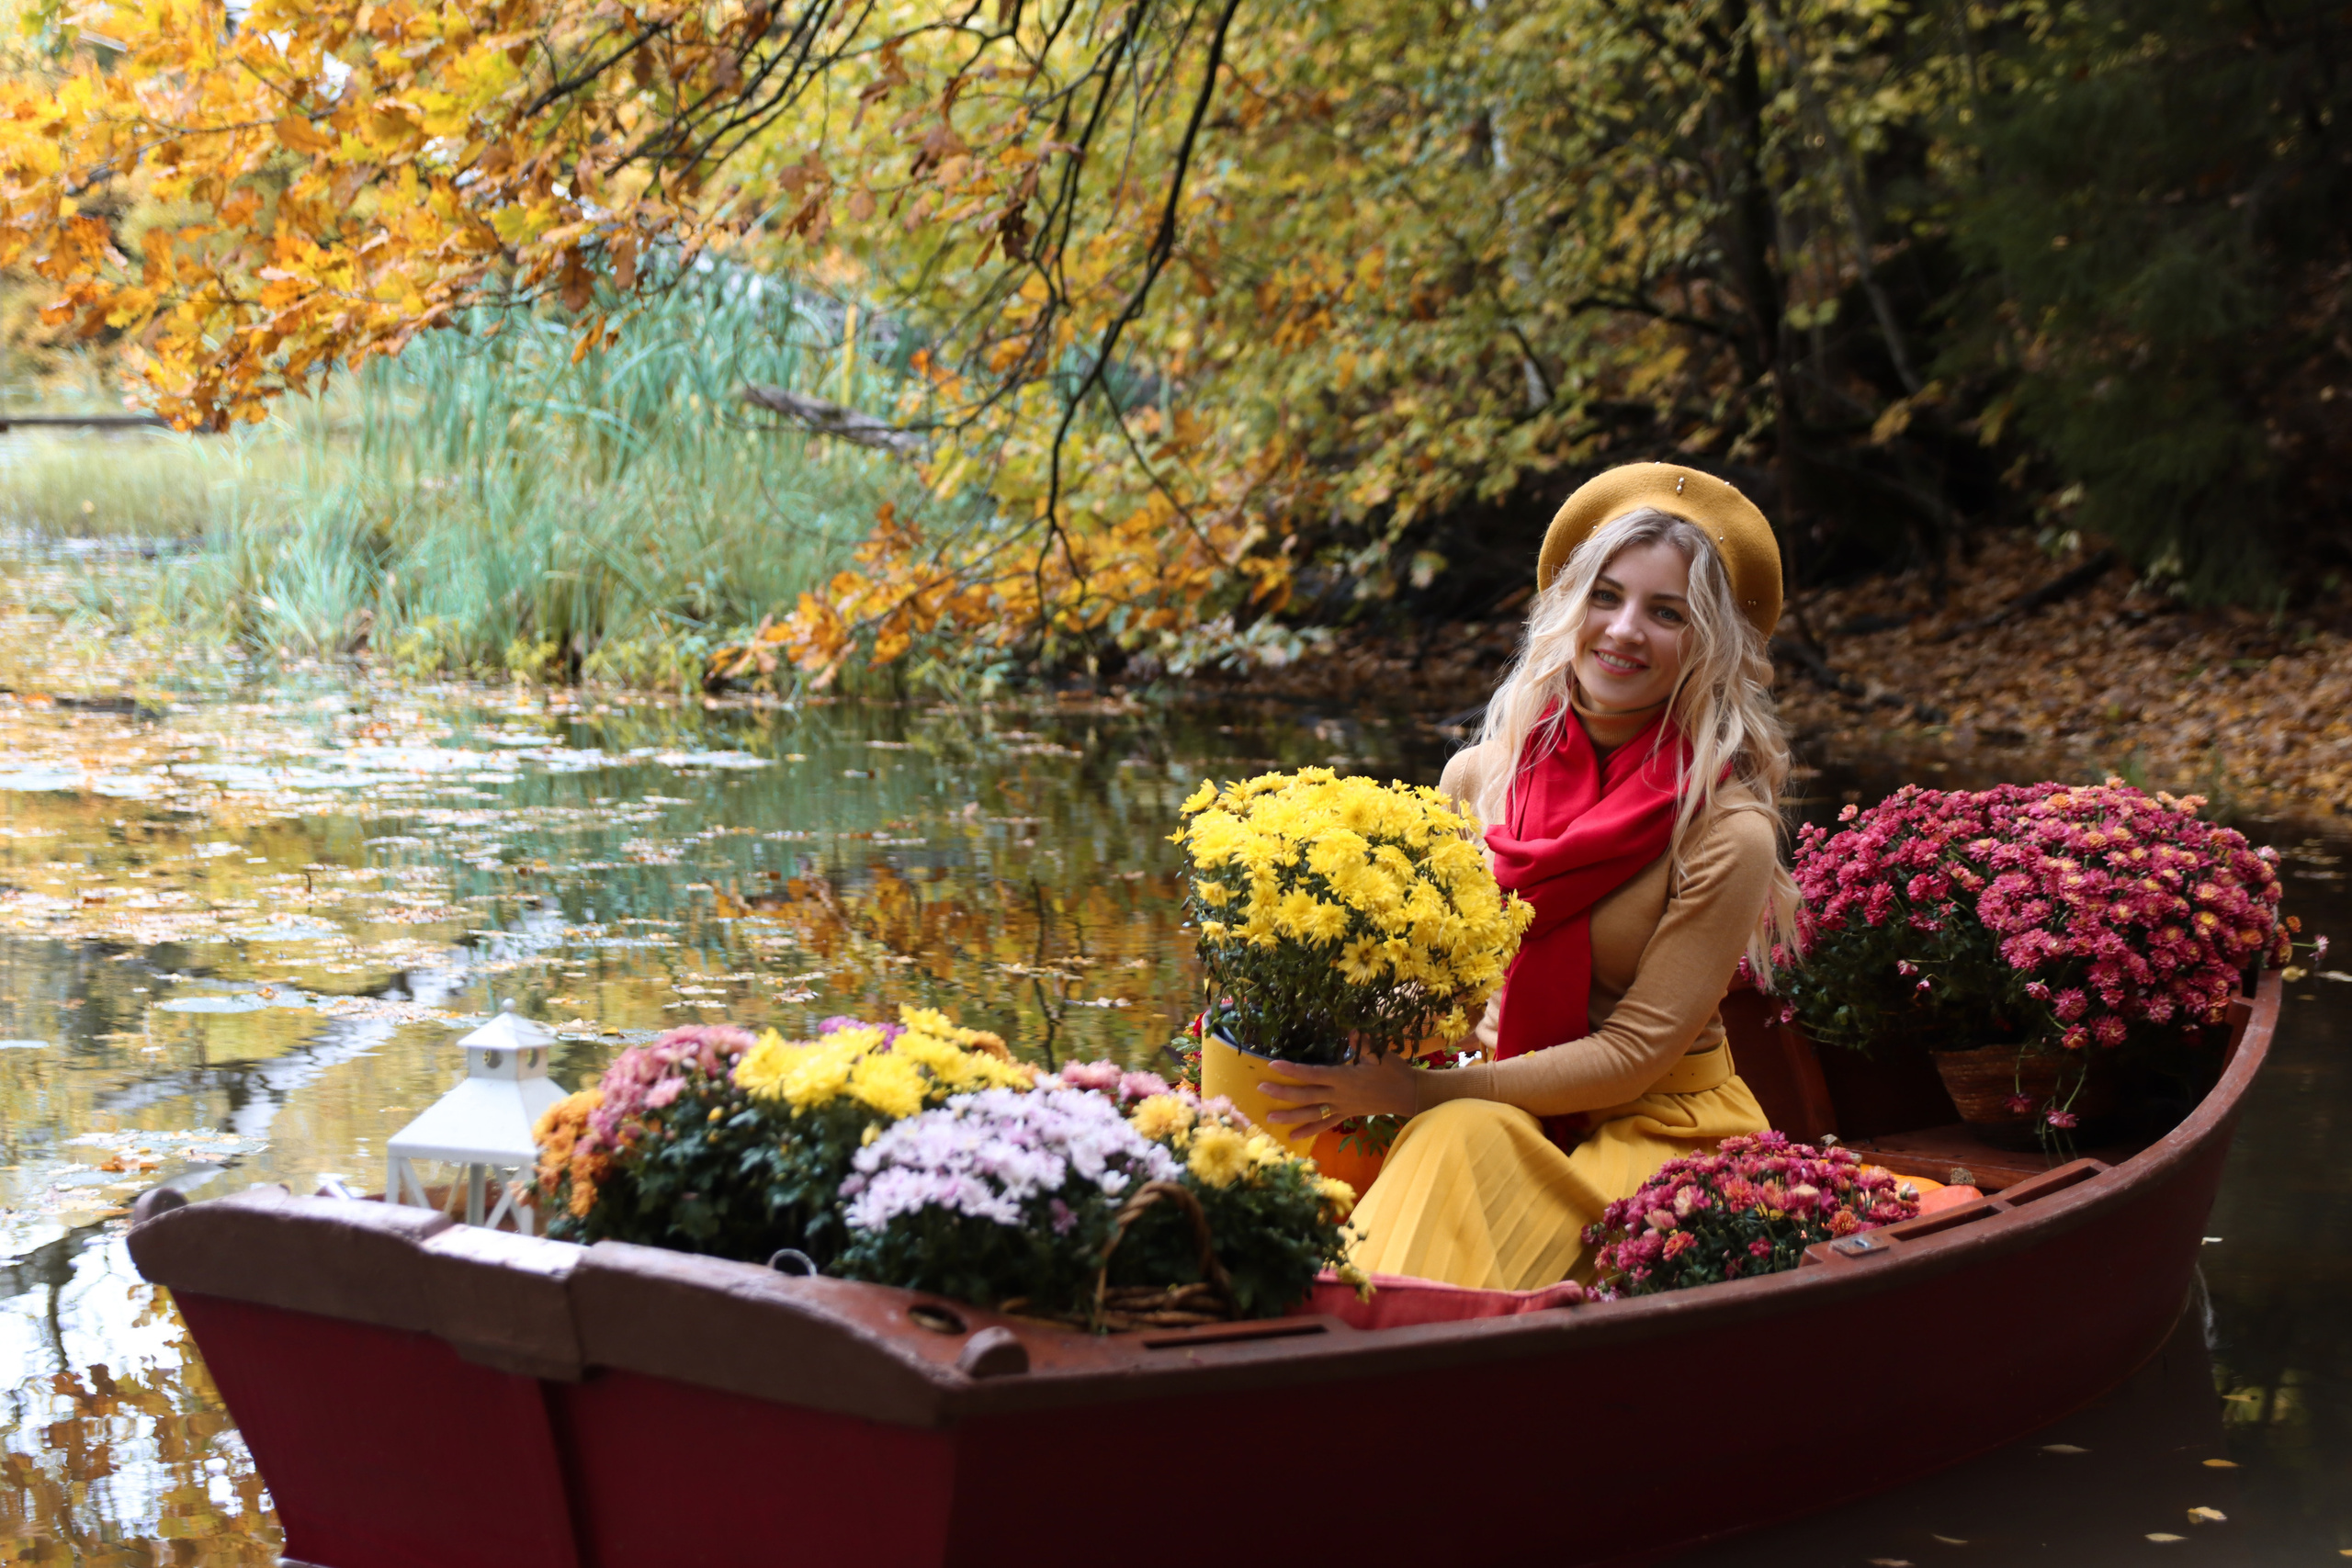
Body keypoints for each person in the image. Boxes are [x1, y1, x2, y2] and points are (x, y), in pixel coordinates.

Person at [1257, 462, 1802, 1291]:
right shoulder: (1479, 776)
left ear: (1711, 645)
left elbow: (1633, 1054)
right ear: (1567, 607)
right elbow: (1442, 986)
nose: (1623, 630)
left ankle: (1368, 1349)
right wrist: (1310, 1017)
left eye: (1667, 613)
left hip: (1652, 1129)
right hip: (1488, 1093)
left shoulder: (1727, 829)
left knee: (1455, 1136)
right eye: (1605, 597)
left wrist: (1415, 1093)